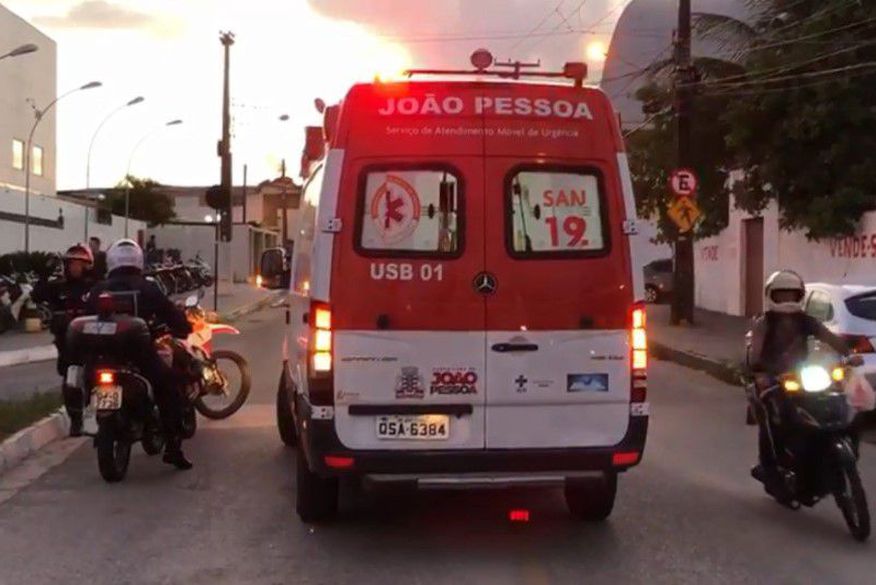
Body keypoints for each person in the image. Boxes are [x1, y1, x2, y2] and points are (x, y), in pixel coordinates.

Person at [86, 239, 194, 470]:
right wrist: (183, 327)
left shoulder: (98, 289)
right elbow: (171, 315)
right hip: (139, 356)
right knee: (170, 389)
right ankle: (173, 448)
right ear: (138, 259)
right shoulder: (148, 288)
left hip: (103, 356)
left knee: (86, 379)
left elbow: (85, 317)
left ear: (111, 260)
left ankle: (85, 419)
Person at [747, 270, 852, 493]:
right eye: (781, 295)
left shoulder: (806, 321)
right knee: (772, 416)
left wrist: (849, 354)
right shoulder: (764, 322)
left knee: (834, 401)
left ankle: (829, 451)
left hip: (800, 375)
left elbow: (829, 337)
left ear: (800, 295)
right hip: (771, 378)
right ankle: (769, 467)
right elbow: (755, 353)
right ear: (771, 295)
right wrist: (760, 373)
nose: (787, 299)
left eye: (791, 294)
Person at [32, 244, 97, 437]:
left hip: (94, 343)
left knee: (99, 378)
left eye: (80, 264)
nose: (75, 267)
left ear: (88, 265)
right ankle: (76, 421)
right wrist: (43, 275)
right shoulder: (59, 287)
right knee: (71, 382)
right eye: (71, 263)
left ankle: (101, 416)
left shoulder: (95, 287)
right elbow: (37, 295)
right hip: (68, 344)